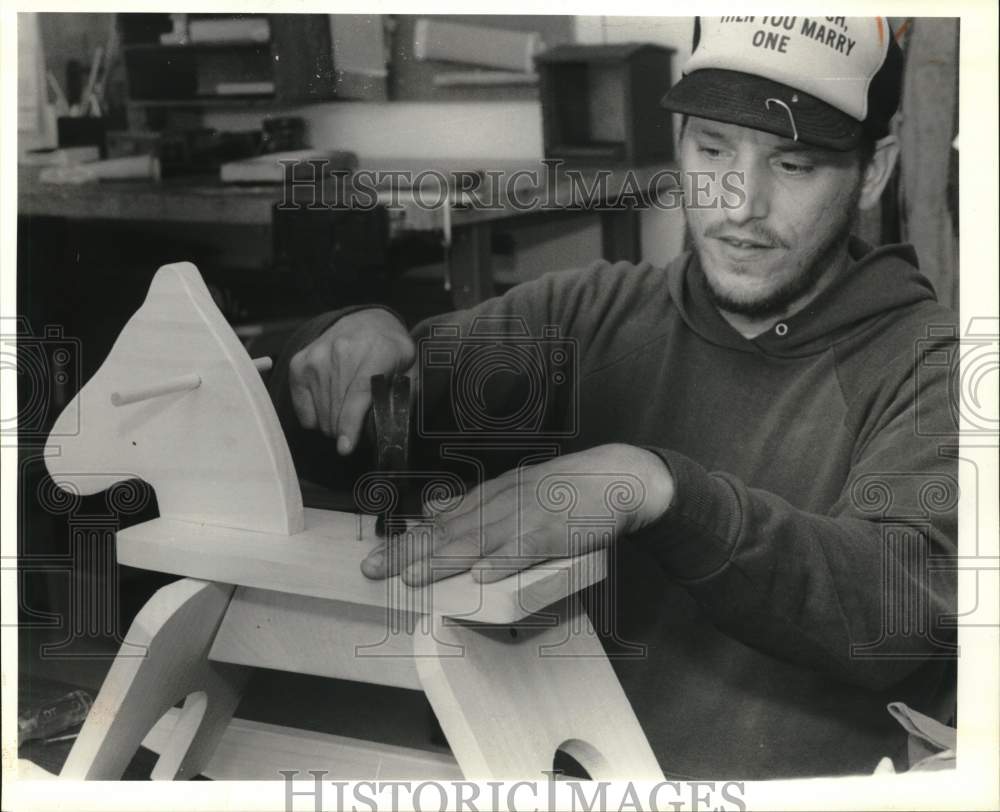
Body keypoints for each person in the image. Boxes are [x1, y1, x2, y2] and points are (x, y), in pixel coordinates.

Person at [269, 17, 958, 779]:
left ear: (874, 171)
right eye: (713, 150)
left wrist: (661, 490)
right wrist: (340, 339)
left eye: (793, 165)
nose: (739, 205)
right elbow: (350, 440)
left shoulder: (931, 363)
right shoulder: (582, 314)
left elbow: (902, 613)